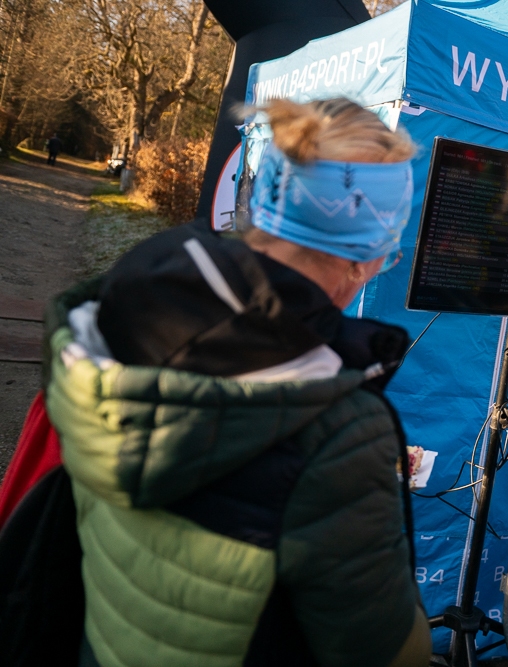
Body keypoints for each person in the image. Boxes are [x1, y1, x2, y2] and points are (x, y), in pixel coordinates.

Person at [43, 98, 431, 666]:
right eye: (385, 254)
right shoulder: (335, 429)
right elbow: (386, 651)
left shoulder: (127, 301)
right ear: (361, 261)